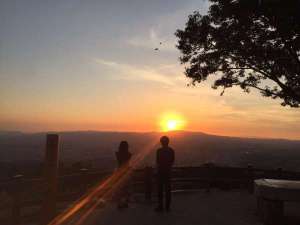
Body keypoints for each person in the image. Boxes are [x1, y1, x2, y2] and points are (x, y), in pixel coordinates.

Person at [155, 136, 175, 212]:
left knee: (160, 190)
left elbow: (157, 162)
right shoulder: (171, 150)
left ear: (161, 142)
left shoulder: (159, 151)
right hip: (168, 172)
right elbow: (172, 161)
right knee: (168, 190)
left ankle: (160, 206)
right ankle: (168, 207)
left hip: (160, 172)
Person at [115, 141, 132, 208]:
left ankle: (119, 203)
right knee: (126, 188)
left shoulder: (117, 154)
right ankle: (125, 202)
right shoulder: (129, 155)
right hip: (126, 172)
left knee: (119, 188)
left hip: (119, 172)